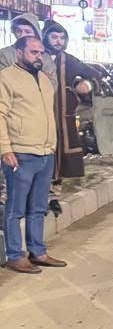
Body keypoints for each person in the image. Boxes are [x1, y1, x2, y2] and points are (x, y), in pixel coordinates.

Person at [0, 35, 67, 272]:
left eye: (41, 53)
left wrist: (53, 146)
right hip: (21, 153)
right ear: (19, 52)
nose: (39, 57)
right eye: (33, 52)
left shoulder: (44, 80)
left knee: (38, 207)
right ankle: (15, 255)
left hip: (45, 153)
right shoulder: (6, 77)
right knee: (15, 209)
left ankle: (38, 252)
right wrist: (5, 149)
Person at [41, 20, 100, 180]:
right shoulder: (36, 57)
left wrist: (86, 84)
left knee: (63, 142)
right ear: (45, 37)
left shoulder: (69, 60)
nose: (58, 41)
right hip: (39, 112)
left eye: (62, 38)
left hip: (63, 114)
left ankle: (59, 178)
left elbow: (95, 75)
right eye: (54, 37)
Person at [0, 13, 57, 82]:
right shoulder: (4, 54)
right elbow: (3, 81)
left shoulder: (45, 57)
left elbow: (52, 83)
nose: (22, 35)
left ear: (36, 34)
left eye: (27, 32)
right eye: (19, 31)